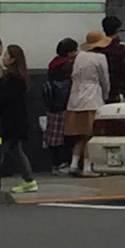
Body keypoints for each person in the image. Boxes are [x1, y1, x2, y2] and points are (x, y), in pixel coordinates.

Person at [0, 44, 38, 193]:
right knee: (16, 151)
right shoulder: (11, 77)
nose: (3, 58)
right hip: (10, 120)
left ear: (13, 59)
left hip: (11, 121)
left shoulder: (15, 78)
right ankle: (29, 180)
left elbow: (6, 97)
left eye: (6, 55)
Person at [64, 30, 113, 177]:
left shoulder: (79, 56)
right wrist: (105, 95)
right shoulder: (100, 58)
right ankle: (87, 167)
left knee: (80, 135)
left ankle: (73, 164)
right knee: (91, 136)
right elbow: (105, 80)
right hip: (92, 98)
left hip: (75, 99)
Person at [41, 39, 77, 167]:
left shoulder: (54, 63)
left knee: (54, 136)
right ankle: (63, 162)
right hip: (65, 103)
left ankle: (56, 163)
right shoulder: (68, 65)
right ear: (69, 52)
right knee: (66, 136)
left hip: (53, 104)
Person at [101, 16, 125, 101]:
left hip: (102, 89)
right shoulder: (120, 48)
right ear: (117, 30)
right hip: (119, 89)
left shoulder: (99, 48)